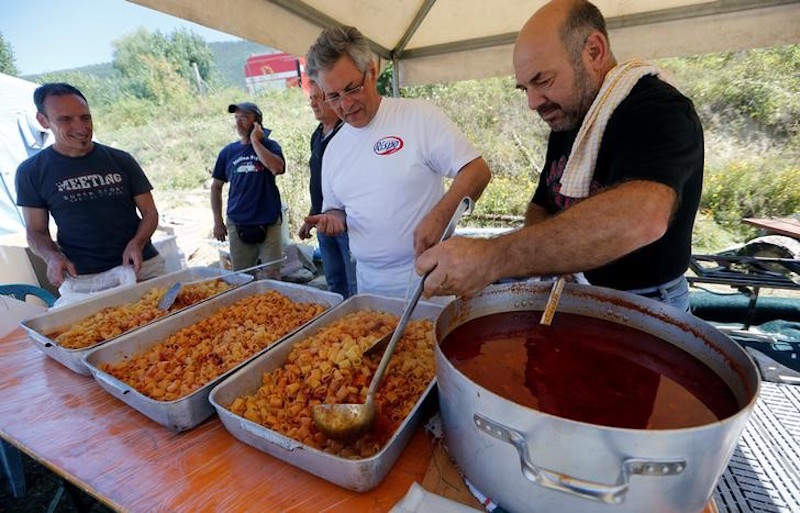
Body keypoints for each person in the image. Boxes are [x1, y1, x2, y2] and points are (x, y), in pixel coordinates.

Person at [417, 0, 704, 312]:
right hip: (579, 289)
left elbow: (642, 217)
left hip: (648, 301)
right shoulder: (568, 119)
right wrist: (555, 261)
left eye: (542, 80)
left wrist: (493, 257)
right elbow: (543, 206)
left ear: (594, 51)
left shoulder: (658, 110)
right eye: (524, 88)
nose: (532, 101)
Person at [304, 26, 491, 298]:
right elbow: (338, 210)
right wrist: (332, 219)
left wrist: (440, 216)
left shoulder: (418, 117)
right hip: (368, 282)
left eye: (351, 88)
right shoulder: (334, 149)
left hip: (427, 276)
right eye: (333, 96)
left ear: (371, 71)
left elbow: (477, 171)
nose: (345, 104)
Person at [15, 83, 164, 288]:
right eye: (66, 119)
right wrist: (51, 257)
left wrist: (136, 243)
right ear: (43, 121)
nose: (81, 127)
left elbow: (150, 213)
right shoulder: (31, 171)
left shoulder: (121, 160)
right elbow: (36, 231)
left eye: (85, 117)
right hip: (84, 277)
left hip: (143, 265)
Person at [211, 102, 286, 278]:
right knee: (242, 276)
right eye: (236, 118)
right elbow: (216, 187)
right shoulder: (228, 152)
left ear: (257, 121)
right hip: (238, 222)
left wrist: (255, 141)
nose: (238, 123)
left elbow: (276, 167)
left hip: (268, 220)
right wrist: (217, 221)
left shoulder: (271, 146)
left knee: (272, 272)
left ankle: (273, 305)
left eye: (244, 117)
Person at [297, 80, 357, 298]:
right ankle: (339, 323)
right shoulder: (317, 134)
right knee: (334, 281)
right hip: (323, 220)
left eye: (318, 98)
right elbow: (318, 181)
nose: (313, 103)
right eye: (311, 98)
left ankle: (357, 325)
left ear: (333, 99)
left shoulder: (350, 133)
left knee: (354, 281)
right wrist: (311, 217)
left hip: (348, 223)